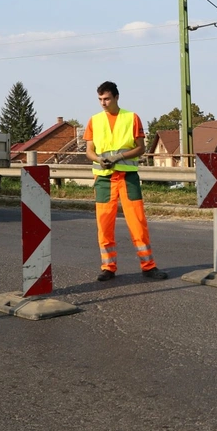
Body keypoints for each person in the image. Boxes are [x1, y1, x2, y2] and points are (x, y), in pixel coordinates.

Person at [84, 81, 167, 281]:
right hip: (104, 179)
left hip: (128, 178)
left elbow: (141, 148)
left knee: (138, 223)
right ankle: (108, 268)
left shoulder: (131, 118)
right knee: (104, 225)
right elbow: (89, 151)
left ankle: (148, 266)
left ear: (116, 97)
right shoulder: (94, 121)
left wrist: (118, 158)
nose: (103, 103)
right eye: (100, 99)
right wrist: (99, 160)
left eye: (107, 99)